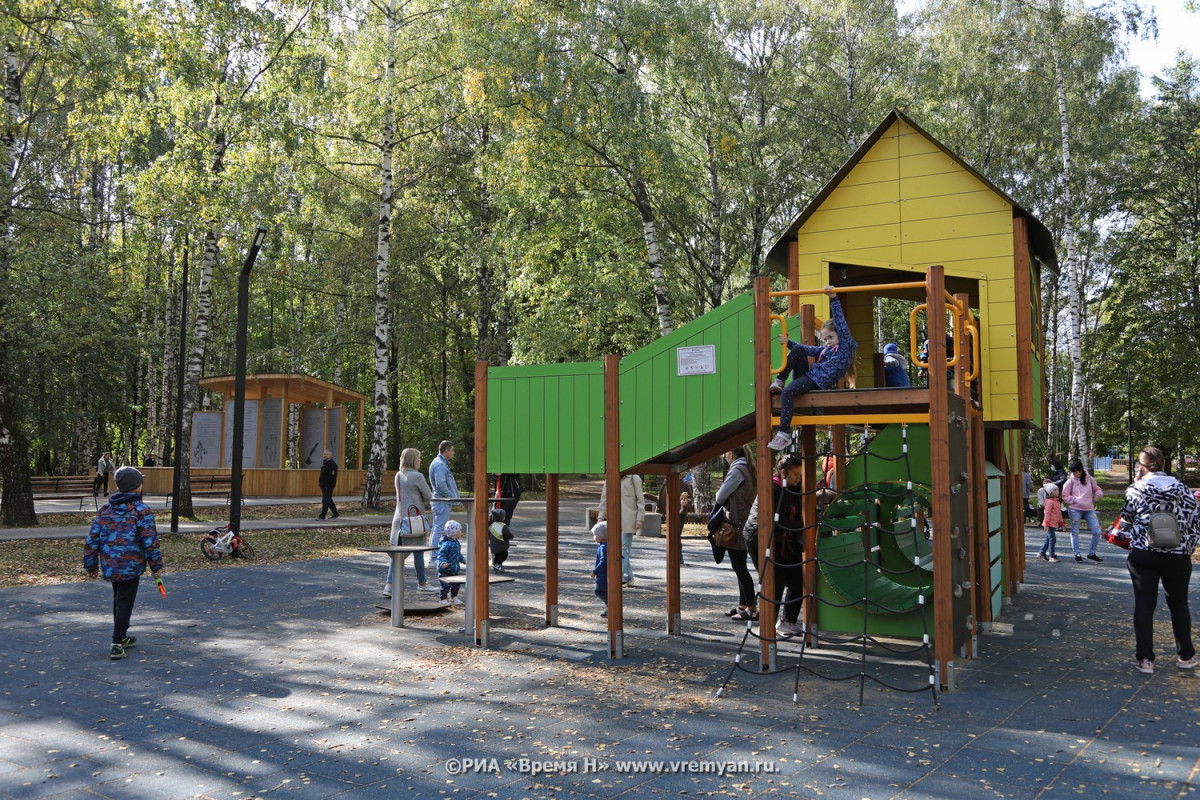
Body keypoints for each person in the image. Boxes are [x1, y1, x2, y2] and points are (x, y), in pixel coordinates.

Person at [1119, 446, 1199, 674]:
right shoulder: (1182, 488)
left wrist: (1135, 483)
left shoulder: (1137, 488)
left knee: (1144, 605)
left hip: (1144, 553)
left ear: (1142, 466)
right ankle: (1186, 656)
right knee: (1179, 604)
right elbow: (1195, 520)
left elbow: (1125, 522)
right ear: (1164, 463)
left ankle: (1146, 660)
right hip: (1177, 554)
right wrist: (1187, 547)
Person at [83, 466, 164, 660]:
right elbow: (150, 541)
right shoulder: (141, 510)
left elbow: (92, 539)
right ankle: (117, 641)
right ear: (137, 487)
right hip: (131, 565)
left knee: (119, 599)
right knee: (125, 601)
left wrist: (91, 565)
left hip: (110, 564)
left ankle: (122, 635)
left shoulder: (106, 509)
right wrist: (156, 566)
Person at [768, 287, 856, 451]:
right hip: (809, 378)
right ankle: (780, 379)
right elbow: (806, 350)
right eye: (825, 339)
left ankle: (784, 434)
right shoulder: (826, 350)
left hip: (816, 383)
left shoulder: (845, 348)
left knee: (787, 393)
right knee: (800, 350)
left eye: (831, 337)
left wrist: (834, 298)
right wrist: (788, 342)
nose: (828, 341)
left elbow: (841, 324)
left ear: (840, 336)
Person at [743, 454, 806, 636]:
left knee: (797, 578)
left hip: (783, 540)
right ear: (784, 472)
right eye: (795, 475)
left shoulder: (794, 487)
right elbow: (773, 523)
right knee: (774, 580)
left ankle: (787, 621)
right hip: (759, 538)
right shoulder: (771, 489)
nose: (798, 479)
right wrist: (803, 525)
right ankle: (767, 625)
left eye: (800, 475)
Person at [713, 447, 757, 620]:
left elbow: (720, 496)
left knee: (739, 567)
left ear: (730, 453)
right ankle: (743, 605)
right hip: (746, 522)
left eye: (725, 453)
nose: (724, 455)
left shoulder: (737, 470)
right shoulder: (749, 467)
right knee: (740, 565)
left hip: (737, 524)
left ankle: (751, 608)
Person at [386, 447, 436, 597]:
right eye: (419, 458)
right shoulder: (418, 476)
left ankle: (389, 585)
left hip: (400, 520)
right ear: (413, 459)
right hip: (415, 520)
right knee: (419, 552)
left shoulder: (398, 475)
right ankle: (422, 584)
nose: (420, 460)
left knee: (397, 555)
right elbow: (429, 496)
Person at [597, 473, 645, 586]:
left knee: (623, 550)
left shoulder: (634, 478)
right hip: (613, 521)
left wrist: (640, 519)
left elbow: (640, 500)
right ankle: (629, 578)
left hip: (628, 521)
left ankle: (616, 579)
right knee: (617, 550)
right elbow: (604, 498)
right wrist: (600, 516)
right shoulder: (610, 478)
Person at [1062, 460, 1104, 563]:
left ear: (1080, 471)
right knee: (1075, 531)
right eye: (1072, 472)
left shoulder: (1090, 479)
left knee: (1097, 531)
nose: (1074, 474)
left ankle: (1091, 553)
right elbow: (1064, 496)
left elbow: (1098, 490)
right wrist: (1075, 500)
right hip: (1075, 509)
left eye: (1075, 471)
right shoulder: (1070, 481)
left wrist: (1098, 496)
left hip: (1089, 509)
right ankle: (1077, 553)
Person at [428, 440, 460, 570]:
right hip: (442, 501)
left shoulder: (440, 463)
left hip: (440, 501)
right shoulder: (440, 464)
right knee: (439, 530)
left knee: (437, 529)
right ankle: (434, 559)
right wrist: (448, 496)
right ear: (446, 451)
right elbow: (441, 484)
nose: (453, 453)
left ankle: (435, 557)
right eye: (452, 450)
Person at [436, 520, 466, 607]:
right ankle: (443, 599)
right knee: (445, 586)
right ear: (454, 533)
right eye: (459, 531)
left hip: (454, 568)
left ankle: (454, 596)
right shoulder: (446, 544)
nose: (461, 532)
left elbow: (457, 554)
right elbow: (441, 554)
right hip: (446, 569)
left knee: (456, 585)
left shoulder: (456, 543)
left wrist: (462, 559)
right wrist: (442, 562)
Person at [1038, 484, 1063, 562]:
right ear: (1050, 492)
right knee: (1052, 539)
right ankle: (1052, 556)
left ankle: (1041, 553)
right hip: (1049, 524)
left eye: (1057, 490)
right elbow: (1047, 513)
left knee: (1048, 539)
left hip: (1054, 523)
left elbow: (1059, 513)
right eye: (1055, 490)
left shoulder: (1057, 502)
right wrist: (1046, 524)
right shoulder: (1049, 501)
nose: (1057, 492)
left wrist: (1061, 523)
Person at [591, 520, 609, 618]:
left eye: (595, 535)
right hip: (606, 574)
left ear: (601, 536)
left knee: (598, 591)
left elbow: (604, 560)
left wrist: (595, 571)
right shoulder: (607, 545)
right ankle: (609, 607)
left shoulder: (603, 547)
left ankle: (610, 606)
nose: (594, 537)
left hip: (603, 575)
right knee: (606, 591)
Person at [316, 449, 340, 520]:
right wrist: (321, 483)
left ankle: (322, 516)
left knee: (325, 500)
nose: (325, 455)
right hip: (323, 485)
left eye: (327, 454)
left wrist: (329, 485)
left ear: (331, 455)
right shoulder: (325, 463)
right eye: (324, 454)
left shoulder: (332, 464)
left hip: (328, 485)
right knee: (329, 500)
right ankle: (336, 514)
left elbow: (333, 476)